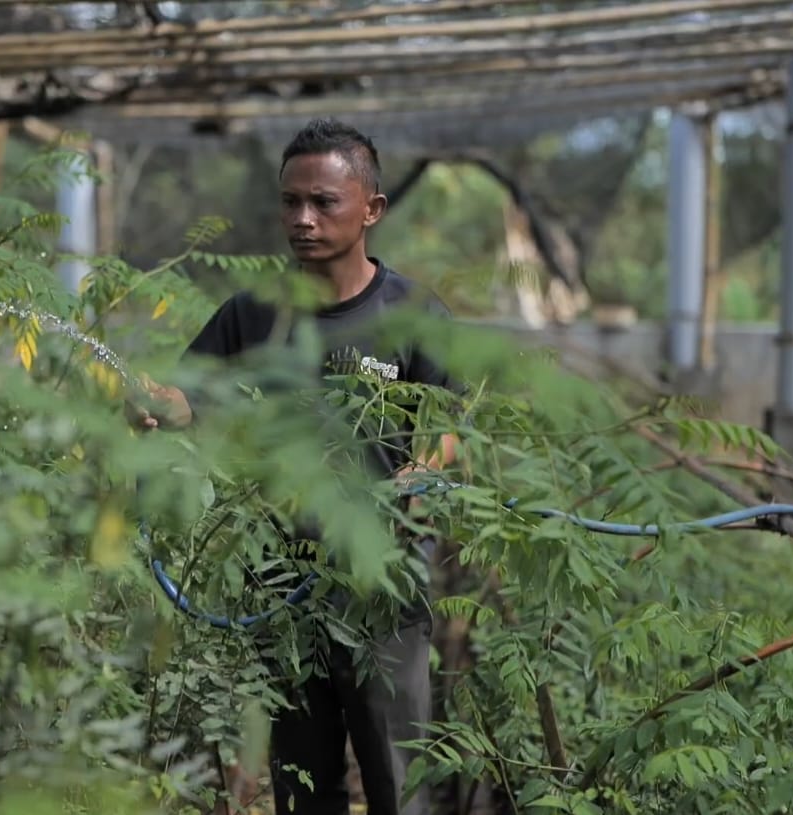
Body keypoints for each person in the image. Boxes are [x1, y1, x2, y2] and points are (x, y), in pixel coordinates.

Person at [126, 118, 463, 815]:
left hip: (382, 589)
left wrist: (420, 477)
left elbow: (448, 428)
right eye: (290, 202)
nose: (302, 218)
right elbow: (192, 392)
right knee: (304, 787)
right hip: (280, 588)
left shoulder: (411, 315)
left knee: (400, 781)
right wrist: (157, 405)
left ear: (372, 209)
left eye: (323, 201)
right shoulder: (252, 314)